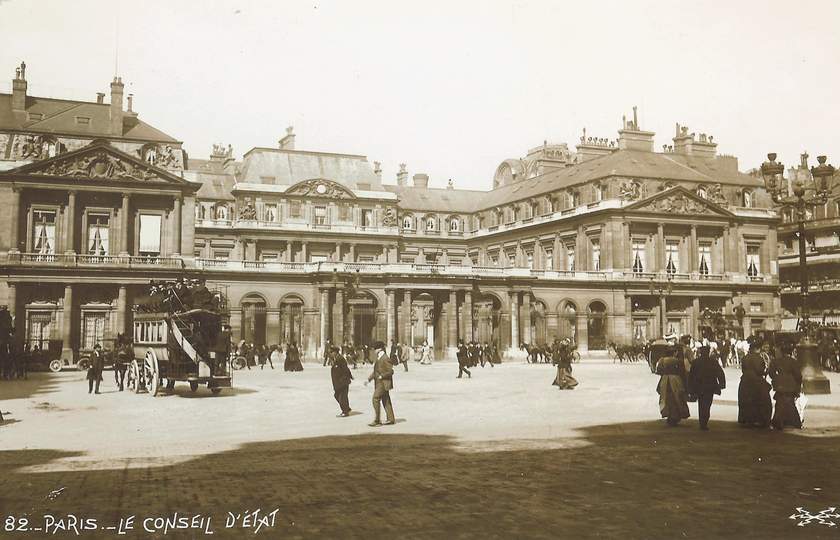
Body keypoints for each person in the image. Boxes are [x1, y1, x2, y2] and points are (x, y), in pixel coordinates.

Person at [688, 346, 726, 430]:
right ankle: (704, 421)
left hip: (699, 386)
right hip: (710, 386)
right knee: (708, 404)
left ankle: (702, 422)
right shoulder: (713, 362)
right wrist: (722, 384)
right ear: (708, 352)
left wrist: (690, 387)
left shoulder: (695, 362)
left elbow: (691, 375)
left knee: (701, 404)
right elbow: (720, 373)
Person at [738, 337, 772, 428]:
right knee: (762, 400)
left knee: (746, 401)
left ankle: (747, 419)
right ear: (758, 348)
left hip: (745, 381)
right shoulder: (759, 358)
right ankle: (760, 419)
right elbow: (759, 371)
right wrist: (766, 371)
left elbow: (743, 370)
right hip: (756, 382)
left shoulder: (745, 358)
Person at [768, 341, 803, 430]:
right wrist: (798, 385)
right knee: (790, 403)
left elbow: (771, 372)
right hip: (790, 384)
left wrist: (776, 378)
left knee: (779, 403)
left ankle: (778, 421)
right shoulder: (793, 362)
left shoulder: (776, 361)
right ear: (791, 352)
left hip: (779, 384)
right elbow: (798, 376)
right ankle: (794, 422)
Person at [655, 345, 690, 426]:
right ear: (674, 353)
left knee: (666, 398)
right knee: (676, 398)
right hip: (676, 379)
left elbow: (658, 371)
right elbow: (682, 372)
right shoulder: (677, 361)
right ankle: (675, 416)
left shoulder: (662, 360)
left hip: (665, 379)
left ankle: (669, 414)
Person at [365, 341, 395, 426]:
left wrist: (382, 376)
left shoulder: (385, 358)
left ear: (380, 349)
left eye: (375, 349)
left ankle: (377, 420)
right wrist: (369, 380)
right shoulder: (379, 357)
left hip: (383, 382)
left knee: (375, 398)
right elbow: (375, 372)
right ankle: (390, 419)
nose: (374, 350)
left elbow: (390, 371)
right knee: (386, 400)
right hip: (379, 383)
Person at [331, 348, 353, 417]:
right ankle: (347, 408)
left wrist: (343, 379)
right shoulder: (336, 358)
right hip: (339, 382)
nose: (331, 353)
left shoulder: (340, 359)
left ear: (335, 352)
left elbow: (345, 369)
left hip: (342, 382)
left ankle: (345, 412)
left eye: (332, 352)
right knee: (337, 395)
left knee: (342, 397)